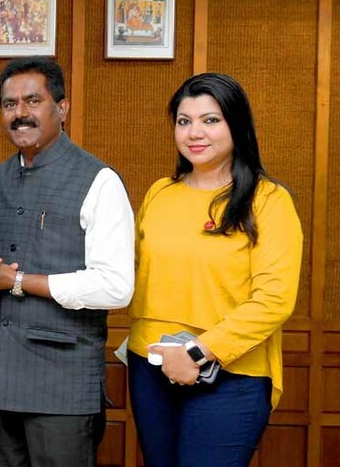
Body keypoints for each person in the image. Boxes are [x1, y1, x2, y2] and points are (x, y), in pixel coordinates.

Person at [0, 57, 134, 467]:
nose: (19, 113)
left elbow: (115, 286)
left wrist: (19, 280)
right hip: (2, 379)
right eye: (9, 104)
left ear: (62, 107)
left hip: (63, 386)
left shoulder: (99, 181)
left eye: (32, 101)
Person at [127, 73, 301, 467]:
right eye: (184, 121)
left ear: (236, 125)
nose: (194, 133)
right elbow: (135, 273)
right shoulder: (160, 192)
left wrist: (199, 351)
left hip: (229, 376)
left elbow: (274, 300)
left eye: (210, 120)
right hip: (150, 368)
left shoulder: (269, 200)